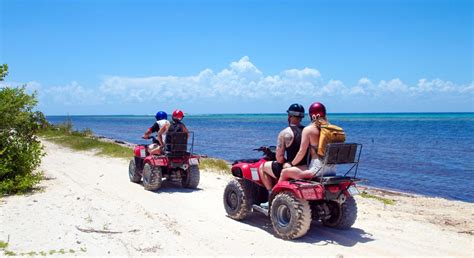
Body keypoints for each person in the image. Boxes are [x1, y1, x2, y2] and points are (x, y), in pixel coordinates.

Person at [258, 103, 308, 203]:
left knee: (262, 167)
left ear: (289, 116)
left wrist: (287, 162)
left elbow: (279, 158)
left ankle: (271, 195)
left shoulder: (285, 133)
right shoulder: (308, 131)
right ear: (302, 117)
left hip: (291, 168)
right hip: (306, 167)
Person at [278, 102, 336, 182]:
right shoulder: (331, 129)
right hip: (332, 169)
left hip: (316, 169)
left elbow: (302, 152)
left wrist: (291, 164)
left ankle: (276, 194)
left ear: (311, 115)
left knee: (284, 172)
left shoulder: (308, 130)